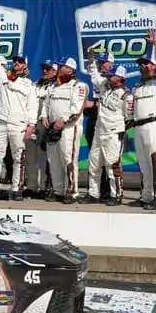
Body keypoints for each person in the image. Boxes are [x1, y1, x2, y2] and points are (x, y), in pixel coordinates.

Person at [0, 26, 38, 201]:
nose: (16, 64)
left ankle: (16, 188)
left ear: (25, 66)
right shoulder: (1, 76)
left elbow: (32, 107)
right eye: (15, 61)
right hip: (0, 121)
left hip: (18, 124)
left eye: (20, 62)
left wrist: (31, 126)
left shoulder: (29, 85)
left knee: (18, 157)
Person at [84, 49, 132, 206]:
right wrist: (91, 61)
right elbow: (94, 75)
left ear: (121, 79)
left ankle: (116, 195)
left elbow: (129, 118)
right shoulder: (104, 85)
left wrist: (119, 131)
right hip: (99, 131)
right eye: (110, 75)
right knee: (94, 164)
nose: (109, 77)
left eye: (113, 76)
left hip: (113, 134)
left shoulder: (126, 95)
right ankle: (93, 193)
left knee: (113, 165)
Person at [129, 29, 156, 211]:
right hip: (138, 126)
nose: (144, 67)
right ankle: (146, 196)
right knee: (143, 164)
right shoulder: (137, 86)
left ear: (154, 67)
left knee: (155, 162)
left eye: (147, 64)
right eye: (142, 65)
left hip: (155, 125)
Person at [42, 57, 88, 204]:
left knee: (68, 159)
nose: (59, 68)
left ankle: (72, 191)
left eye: (62, 66)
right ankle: (58, 190)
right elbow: (46, 105)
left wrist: (63, 120)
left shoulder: (79, 85)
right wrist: (43, 116)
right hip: (52, 128)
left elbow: (77, 108)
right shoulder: (53, 86)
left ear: (70, 69)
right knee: (53, 160)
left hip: (69, 128)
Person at [84, 52, 114, 199]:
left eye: (105, 62)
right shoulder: (100, 80)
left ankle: (110, 191)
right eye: (100, 62)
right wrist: (91, 60)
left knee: (110, 159)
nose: (102, 64)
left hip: (110, 123)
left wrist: (94, 103)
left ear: (111, 64)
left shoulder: (115, 80)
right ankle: (97, 191)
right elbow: (94, 75)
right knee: (95, 157)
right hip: (96, 120)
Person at [25, 61, 56, 199]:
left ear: (55, 71)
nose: (45, 71)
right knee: (30, 157)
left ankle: (45, 187)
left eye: (48, 69)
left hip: (45, 125)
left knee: (44, 157)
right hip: (31, 123)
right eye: (43, 68)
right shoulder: (34, 84)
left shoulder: (56, 86)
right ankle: (31, 186)